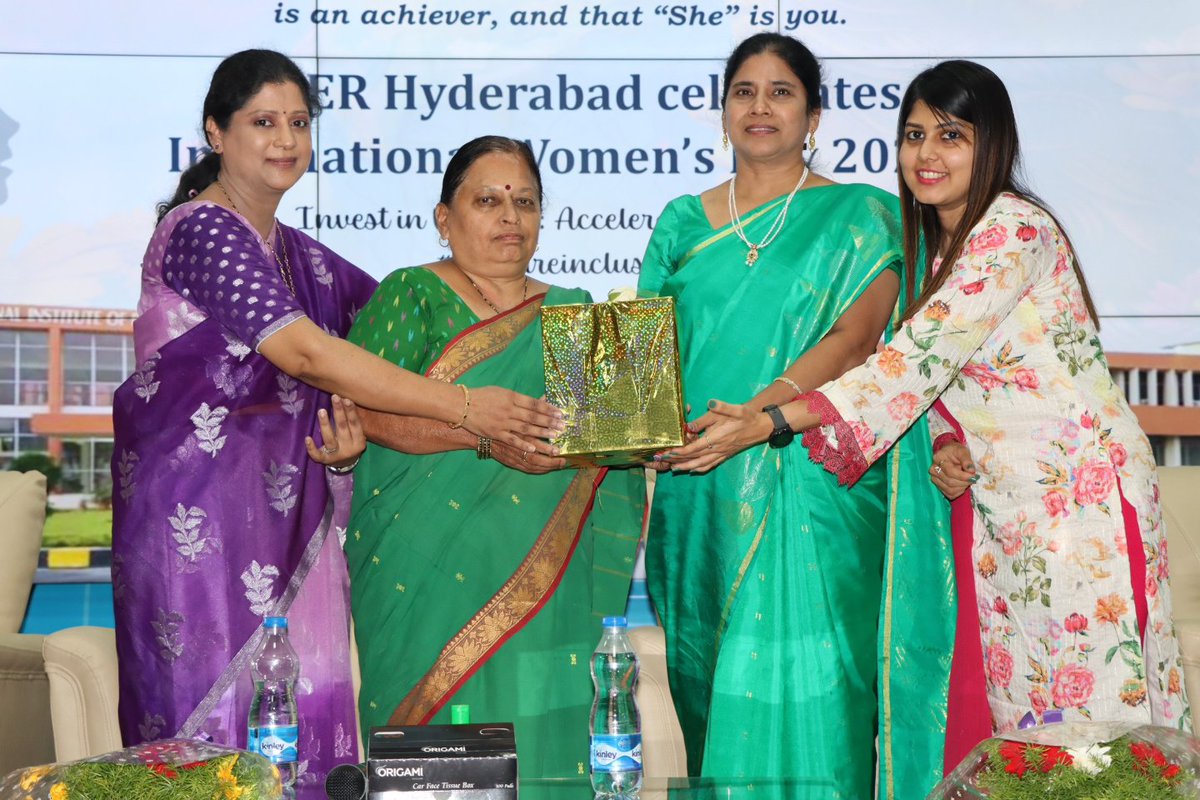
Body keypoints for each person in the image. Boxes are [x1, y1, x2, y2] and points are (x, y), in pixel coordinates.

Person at [678, 59, 1194, 763]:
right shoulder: (933, 250)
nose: (927, 154)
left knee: (1100, 716)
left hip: (1081, 503)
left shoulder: (1013, 229)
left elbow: (916, 358)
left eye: (951, 135)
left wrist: (772, 420)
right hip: (1004, 506)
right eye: (914, 134)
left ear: (994, 146)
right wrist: (949, 440)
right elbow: (954, 380)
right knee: (1033, 714)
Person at [110, 53, 562, 795]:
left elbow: (403, 316)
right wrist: (469, 407)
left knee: (305, 731)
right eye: (262, 122)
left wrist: (499, 287)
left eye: (298, 122)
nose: (285, 138)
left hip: (295, 535)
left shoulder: (302, 258)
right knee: (207, 748)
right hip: (198, 538)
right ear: (215, 132)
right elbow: (310, 355)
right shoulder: (201, 232)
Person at [637, 33, 953, 796]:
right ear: (721, 112)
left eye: (781, 92)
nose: (760, 106)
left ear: (814, 114)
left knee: (827, 690)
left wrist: (760, 413)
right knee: (712, 688)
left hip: (817, 481)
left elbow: (856, 344)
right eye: (744, 91)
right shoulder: (681, 220)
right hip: (702, 488)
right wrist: (628, 425)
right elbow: (641, 371)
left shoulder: (863, 214)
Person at [342, 136, 646, 781]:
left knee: (541, 746)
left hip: (548, 576)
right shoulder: (410, 295)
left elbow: (622, 446)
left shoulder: (577, 311)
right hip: (421, 568)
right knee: (435, 757)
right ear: (444, 218)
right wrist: (480, 435)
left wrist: (620, 436)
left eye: (526, 201)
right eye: (488, 200)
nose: (511, 216)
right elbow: (363, 412)